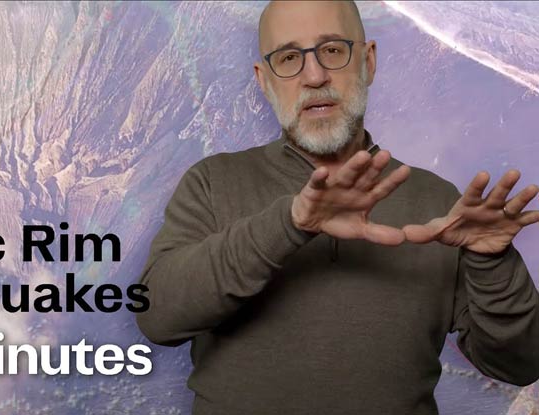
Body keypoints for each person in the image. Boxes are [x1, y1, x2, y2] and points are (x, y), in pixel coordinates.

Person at [134, 1, 539, 414]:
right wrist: (291, 223)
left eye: (332, 50)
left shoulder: (437, 202)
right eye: (289, 58)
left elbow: (521, 363)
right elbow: (157, 318)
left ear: (368, 62)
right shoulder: (213, 183)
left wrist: (493, 264)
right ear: (265, 80)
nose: (314, 76)